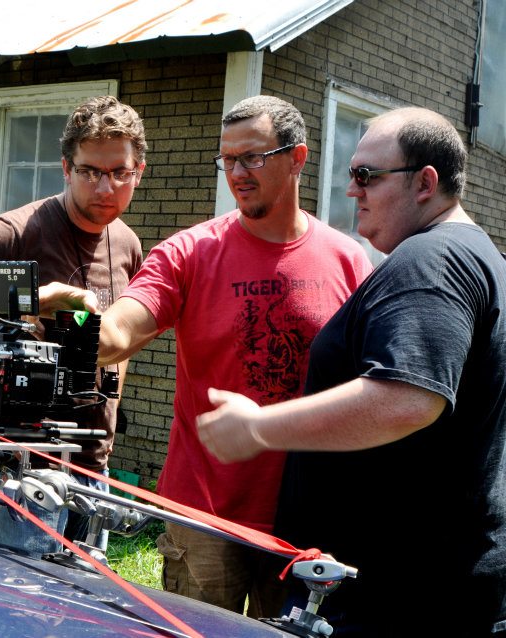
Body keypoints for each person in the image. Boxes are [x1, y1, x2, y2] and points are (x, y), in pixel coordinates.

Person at [45, 95, 372, 614]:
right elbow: (119, 334)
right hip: (203, 514)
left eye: (252, 157)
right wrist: (75, 317)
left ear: (298, 157)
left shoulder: (348, 260)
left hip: (304, 513)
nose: (237, 173)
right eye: (227, 160)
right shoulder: (189, 252)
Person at [196, 107, 506, 637]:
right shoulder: (482, 258)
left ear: (425, 183)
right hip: (437, 589)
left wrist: (257, 428)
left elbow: (407, 398)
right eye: (351, 174)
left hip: (409, 599)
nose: (351, 191)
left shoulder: (429, 262)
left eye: (367, 176)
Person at [0, 95, 146, 553]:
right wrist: (31, 310)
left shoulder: (128, 244)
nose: (105, 187)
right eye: (90, 171)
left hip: (91, 460)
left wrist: (108, 424)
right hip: (21, 468)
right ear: (66, 168)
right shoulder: (15, 233)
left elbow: (120, 344)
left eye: (120, 173)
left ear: (139, 171)